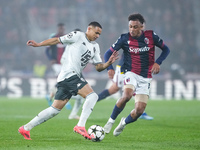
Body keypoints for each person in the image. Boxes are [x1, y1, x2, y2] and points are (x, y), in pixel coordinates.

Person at [18, 21, 119, 140]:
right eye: (96, 32)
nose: (97, 36)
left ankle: (25, 128)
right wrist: (39, 44)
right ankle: (80, 126)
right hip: (69, 75)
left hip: (68, 78)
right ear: (89, 29)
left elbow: (98, 67)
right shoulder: (77, 35)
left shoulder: (95, 47)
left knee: (54, 110)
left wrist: (108, 63)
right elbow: (56, 40)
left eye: (99, 34)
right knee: (92, 96)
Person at [103, 13, 170, 136]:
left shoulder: (151, 36)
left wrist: (158, 62)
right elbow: (107, 54)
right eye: (130, 26)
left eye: (135, 27)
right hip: (130, 72)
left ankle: (123, 123)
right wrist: (109, 68)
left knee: (139, 110)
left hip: (146, 77)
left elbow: (166, 49)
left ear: (141, 27)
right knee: (127, 96)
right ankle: (110, 121)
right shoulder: (124, 38)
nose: (132, 29)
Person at [97, 54, 153, 120]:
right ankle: (93, 100)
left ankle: (141, 111)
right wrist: (110, 68)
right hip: (123, 66)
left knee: (136, 87)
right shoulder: (130, 43)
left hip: (135, 68)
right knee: (114, 89)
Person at [45, 23, 71, 109]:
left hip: (64, 63)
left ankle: (50, 95)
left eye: (63, 29)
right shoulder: (53, 38)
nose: (62, 30)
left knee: (61, 80)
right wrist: (51, 59)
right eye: (60, 29)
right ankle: (63, 99)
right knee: (62, 79)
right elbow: (47, 50)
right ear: (58, 29)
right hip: (56, 63)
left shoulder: (67, 38)